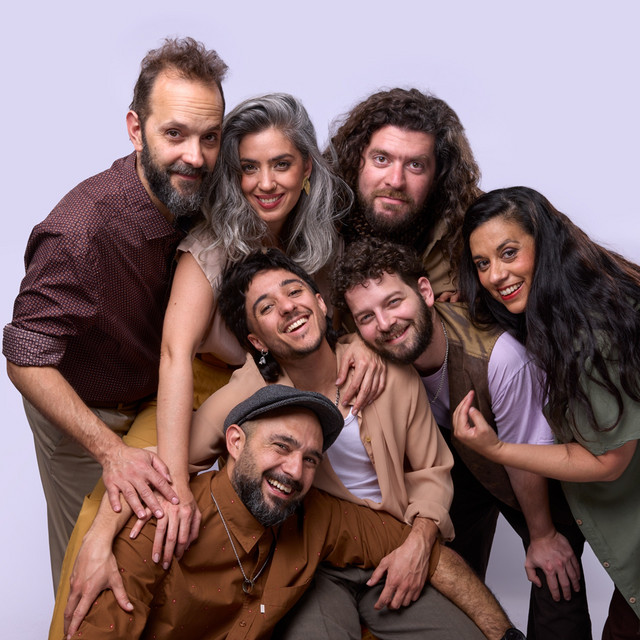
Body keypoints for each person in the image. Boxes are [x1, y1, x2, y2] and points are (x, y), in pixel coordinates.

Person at [63, 249, 524, 640]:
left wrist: (418, 542)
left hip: (392, 550)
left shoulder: (385, 370)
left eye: (295, 292)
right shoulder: (247, 396)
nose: (286, 308)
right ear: (256, 341)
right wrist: (101, 536)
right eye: (266, 307)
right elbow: (165, 460)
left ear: (321, 304)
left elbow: (432, 471)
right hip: (310, 563)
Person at [2, 37, 227, 590]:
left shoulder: (206, 190)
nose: (195, 157)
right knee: (88, 563)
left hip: (161, 391)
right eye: (174, 134)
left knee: (160, 554)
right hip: (89, 413)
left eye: (209, 137)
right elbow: (25, 357)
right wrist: (111, 453)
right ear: (135, 129)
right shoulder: (80, 232)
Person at [331, 237, 593, 639]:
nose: (384, 324)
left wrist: (541, 535)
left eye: (393, 302)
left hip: (533, 464)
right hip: (459, 460)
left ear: (424, 291)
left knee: (555, 574)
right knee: (452, 578)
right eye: (366, 317)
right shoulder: (373, 349)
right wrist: (351, 342)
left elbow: (527, 454)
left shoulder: (501, 357)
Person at [453, 186, 640, 639]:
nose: (496, 275)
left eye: (509, 253)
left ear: (545, 245)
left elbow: (607, 461)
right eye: (482, 263)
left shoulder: (593, 330)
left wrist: (497, 450)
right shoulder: (556, 313)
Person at [326, 88, 481, 296]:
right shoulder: (315, 222)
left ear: (438, 175)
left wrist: (469, 304)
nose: (396, 181)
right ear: (355, 160)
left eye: (415, 165)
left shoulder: (471, 226)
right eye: (382, 159)